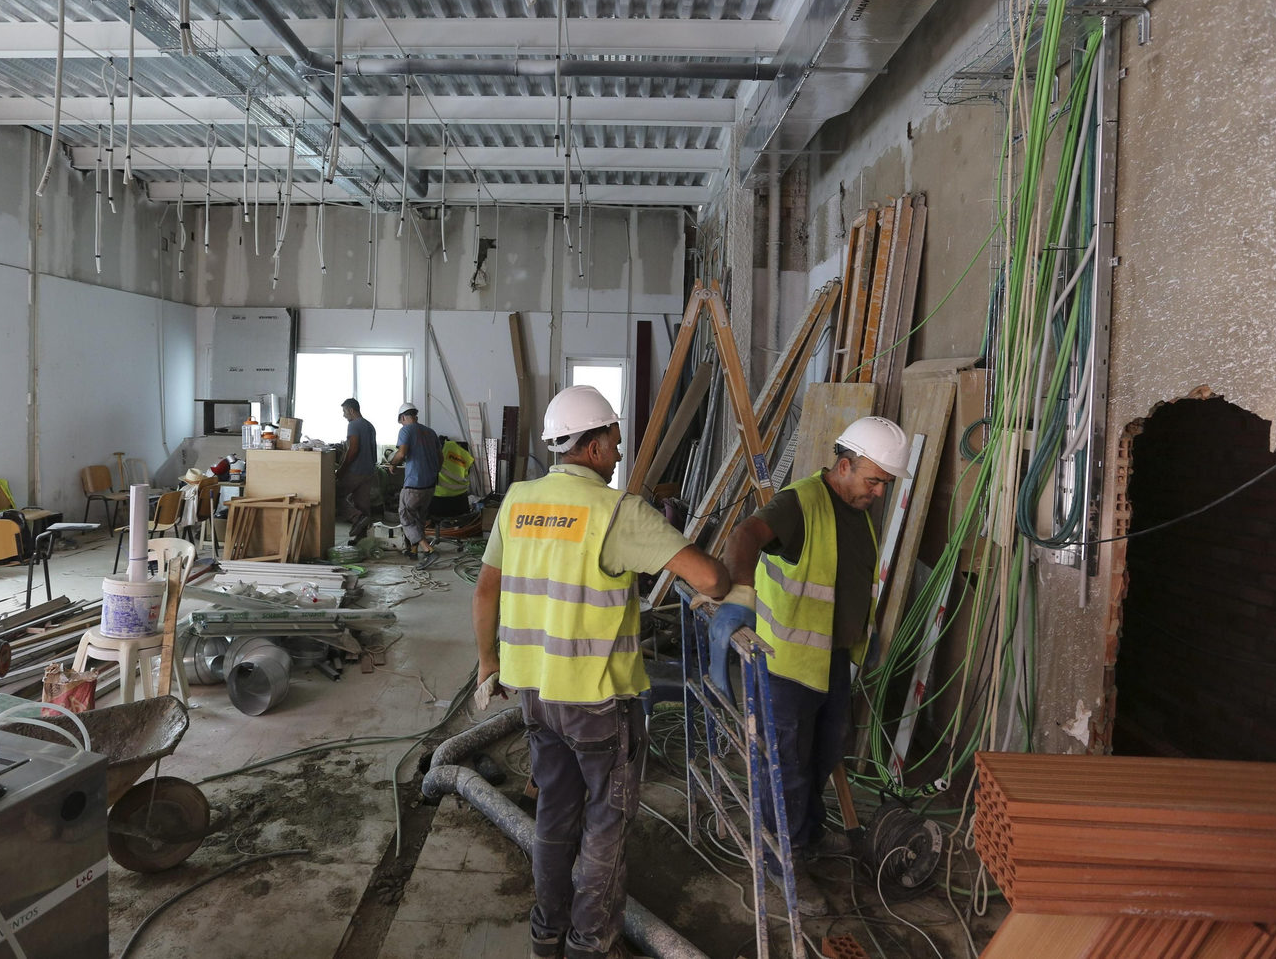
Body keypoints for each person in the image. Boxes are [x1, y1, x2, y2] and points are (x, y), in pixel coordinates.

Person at [471, 385, 732, 959]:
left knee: (554, 817)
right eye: (613, 440)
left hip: (535, 696)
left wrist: (490, 665)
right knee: (606, 829)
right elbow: (709, 580)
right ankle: (590, 944)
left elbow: (486, 588)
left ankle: (546, 935)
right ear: (590, 447)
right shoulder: (617, 512)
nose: (617, 452)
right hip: (597, 703)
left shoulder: (517, 501)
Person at [719, 416, 910, 917]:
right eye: (873, 481)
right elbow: (744, 535)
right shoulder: (801, 502)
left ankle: (803, 836)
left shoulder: (857, 509)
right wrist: (740, 593)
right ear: (843, 466)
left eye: (885, 484)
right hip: (787, 665)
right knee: (785, 766)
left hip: (832, 660)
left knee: (824, 754)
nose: (878, 493)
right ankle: (780, 862)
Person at [388, 402, 442, 569]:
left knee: (406, 516)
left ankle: (429, 550)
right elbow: (440, 459)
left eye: (401, 421)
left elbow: (402, 453)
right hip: (430, 484)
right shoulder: (431, 432)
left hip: (414, 484)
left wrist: (393, 463)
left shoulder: (406, 430)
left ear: (403, 417)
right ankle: (413, 550)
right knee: (418, 518)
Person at [337, 398, 379, 544]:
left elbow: (353, 450)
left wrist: (342, 470)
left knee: (333, 495)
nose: (343, 415)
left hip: (356, 470)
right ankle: (362, 540)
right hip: (369, 470)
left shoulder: (354, 425)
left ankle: (356, 517)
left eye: (344, 411)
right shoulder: (369, 425)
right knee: (362, 505)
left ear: (351, 410)